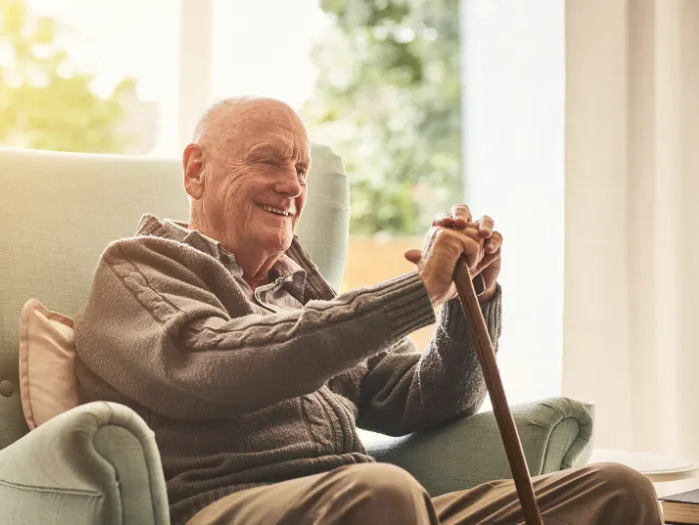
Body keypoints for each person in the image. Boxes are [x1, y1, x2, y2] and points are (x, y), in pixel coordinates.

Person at [74, 96, 662, 525]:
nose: (292, 186)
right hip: (230, 506)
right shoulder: (141, 268)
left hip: (376, 506)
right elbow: (214, 366)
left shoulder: (306, 291)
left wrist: (465, 302)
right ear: (195, 170)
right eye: (268, 161)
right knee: (382, 494)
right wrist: (415, 292)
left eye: (301, 170)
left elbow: (423, 398)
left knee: (617, 491)